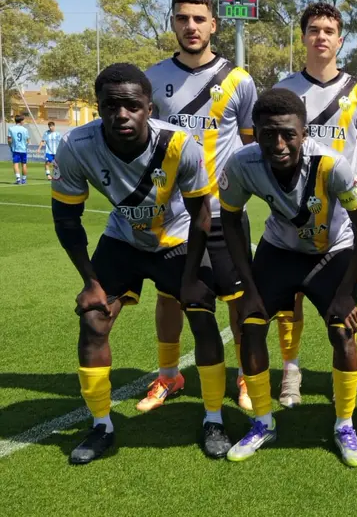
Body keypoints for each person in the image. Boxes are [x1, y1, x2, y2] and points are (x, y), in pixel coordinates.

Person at [50, 63, 232, 464]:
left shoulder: (181, 143)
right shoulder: (76, 146)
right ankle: (101, 425)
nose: (121, 115)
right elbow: (66, 218)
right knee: (94, 319)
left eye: (131, 105)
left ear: (149, 107)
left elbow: (203, 214)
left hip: (179, 236)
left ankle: (214, 418)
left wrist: (189, 279)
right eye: (110, 106)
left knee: (201, 311)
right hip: (123, 239)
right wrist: (90, 281)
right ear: (98, 108)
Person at [218, 88, 357, 466]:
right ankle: (261, 421)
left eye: (288, 133)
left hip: (332, 252)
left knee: (342, 329)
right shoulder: (241, 165)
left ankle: (344, 424)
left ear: (304, 131)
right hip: (280, 251)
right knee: (252, 324)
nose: (279, 143)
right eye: (268, 133)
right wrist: (249, 287)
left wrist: (347, 291)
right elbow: (230, 220)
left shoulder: (333, 164)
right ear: (253, 131)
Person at [143, 0, 258, 413]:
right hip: (170, 215)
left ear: (213, 24)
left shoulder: (239, 81)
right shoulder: (152, 79)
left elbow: (250, 148)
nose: (190, 26)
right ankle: (169, 375)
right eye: (182, 18)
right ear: (172, 22)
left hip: (222, 213)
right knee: (169, 296)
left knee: (238, 299)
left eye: (198, 19)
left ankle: (245, 376)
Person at [273, 2, 357, 408]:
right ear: (303, 37)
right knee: (290, 299)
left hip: (342, 218)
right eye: (313, 29)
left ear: (341, 39)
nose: (321, 36)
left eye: (329, 30)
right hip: (292, 210)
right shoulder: (283, 90)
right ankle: (291, 369)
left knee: (344, 300)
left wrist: (339, 180)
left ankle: (344, 389)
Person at [8, 115, 30, 184]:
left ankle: (18, 179)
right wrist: (25, 146)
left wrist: (10, 146)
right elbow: (28, 140)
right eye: (23, 120)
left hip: (16, 149)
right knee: (24, 164)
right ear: (21, 121)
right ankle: (24, 180)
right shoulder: (25, 129)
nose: (24, 121)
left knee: (16, 164)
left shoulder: (11, 128)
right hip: (23, 149)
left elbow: (9, 140)